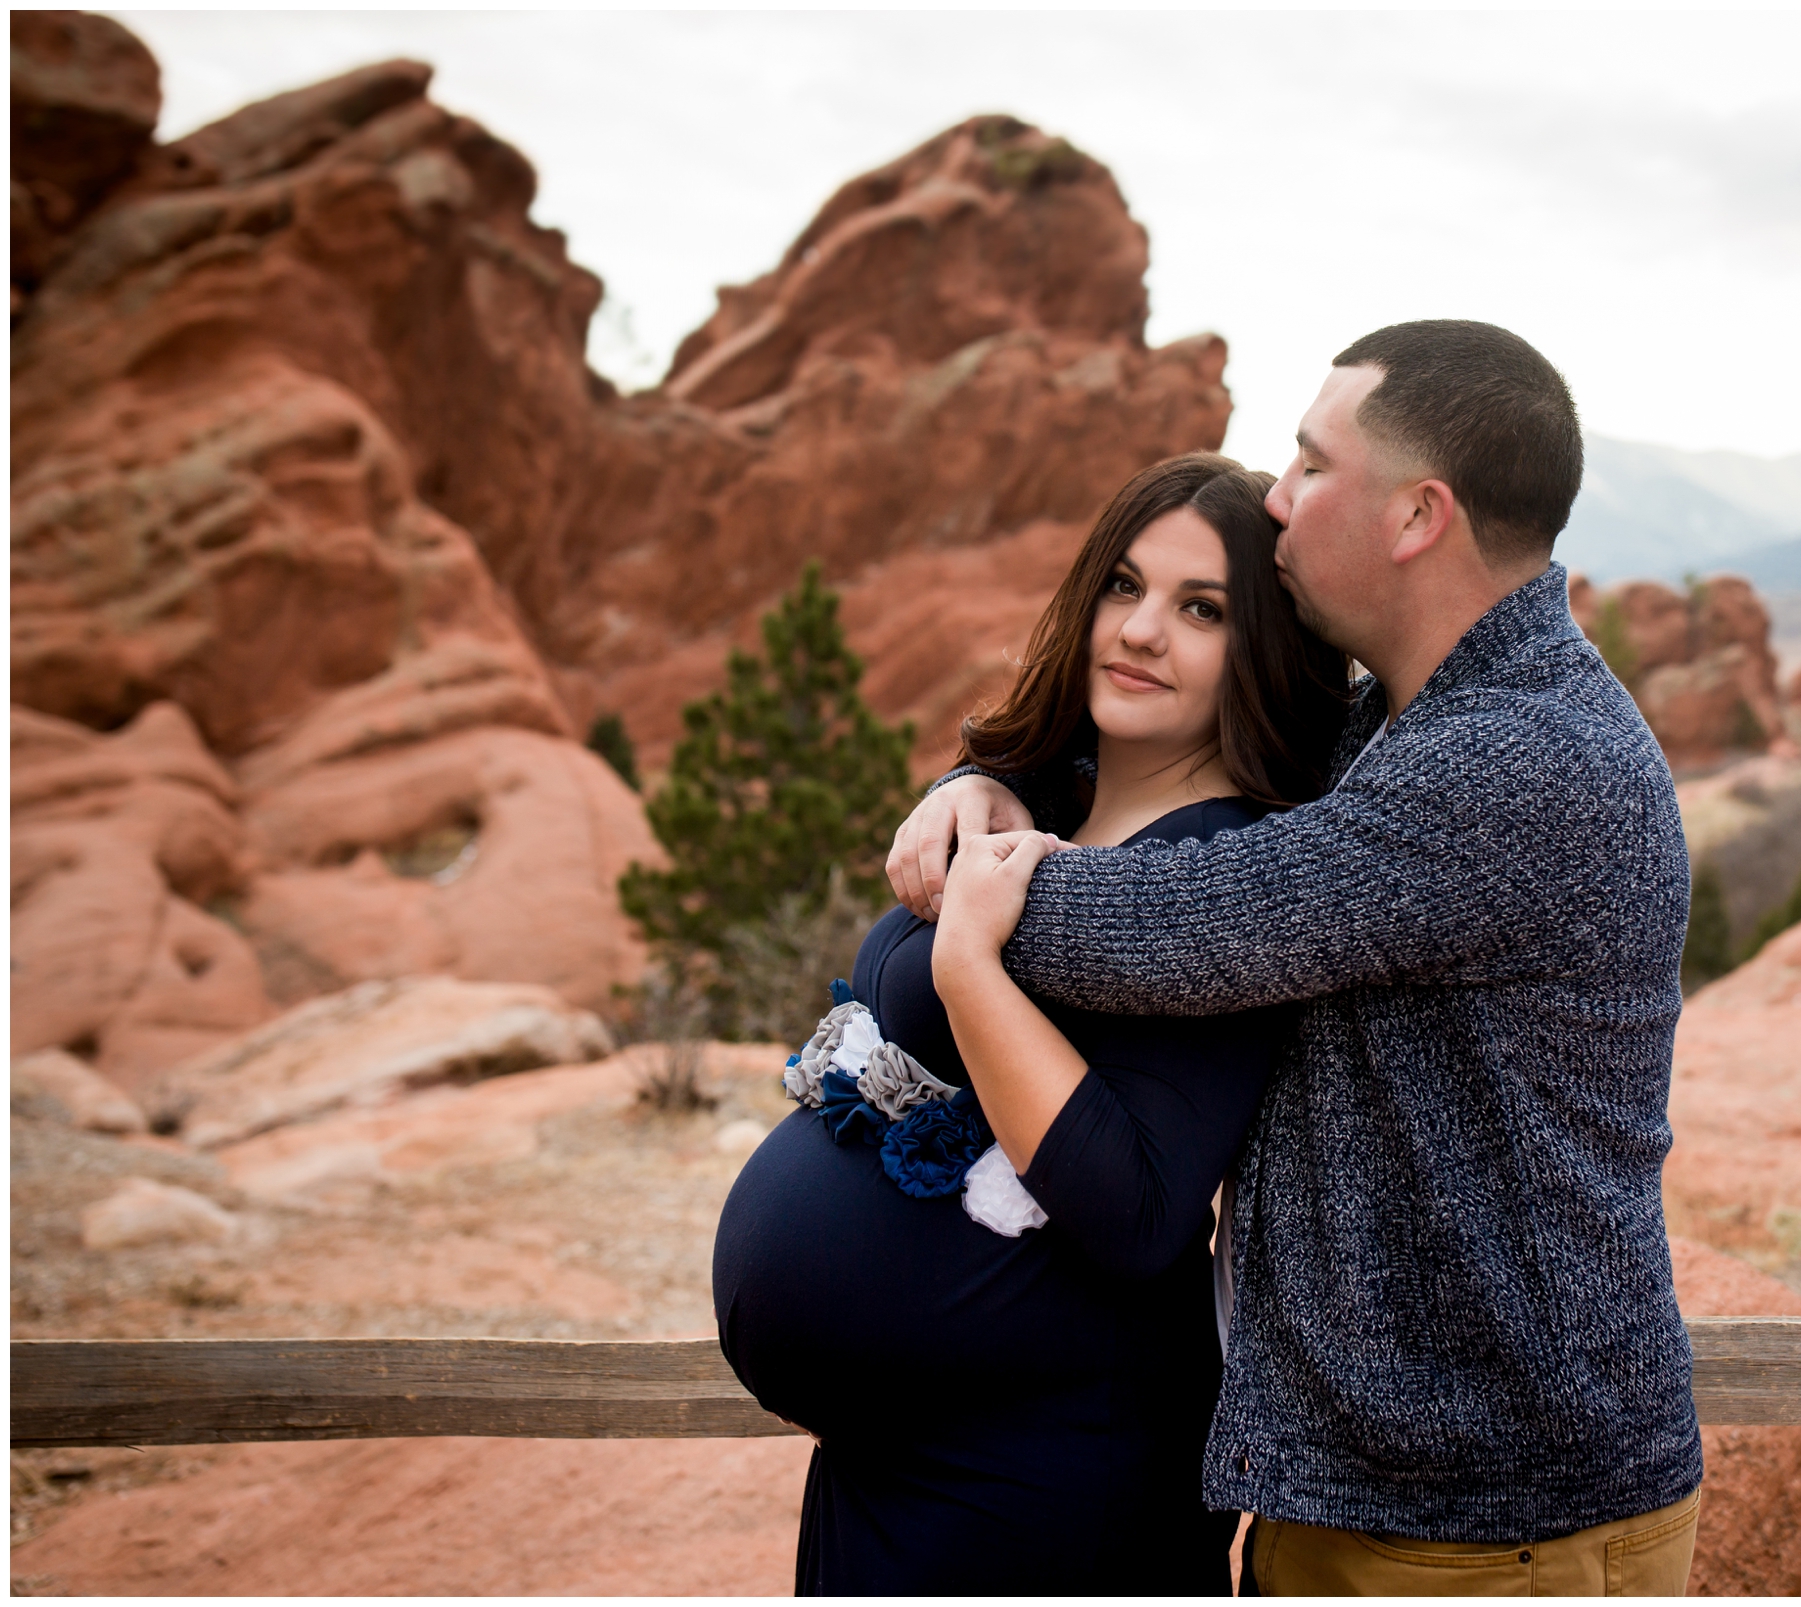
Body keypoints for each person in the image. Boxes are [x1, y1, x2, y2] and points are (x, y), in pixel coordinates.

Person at [898, 320, 1707, 1595]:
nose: (1276, 495)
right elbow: (1165, 749)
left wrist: (961, 903)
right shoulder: (1395, 716)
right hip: (1394, 1501)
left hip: (1487, 1527)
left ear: (1415, 517)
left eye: (1311, 463)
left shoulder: (1517, 758)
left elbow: (1177, 924)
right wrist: (984, 779)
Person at [711, 451, 1352, 1595]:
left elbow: (1145, 1206)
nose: (1142, 629)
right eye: (1122, 584)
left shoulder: (1224, 874)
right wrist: (974, 774)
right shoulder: (1049, 794)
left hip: (1046, 1482)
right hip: (897, 1460)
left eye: (1201, 608)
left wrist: (965, 965)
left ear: (1261, 645)